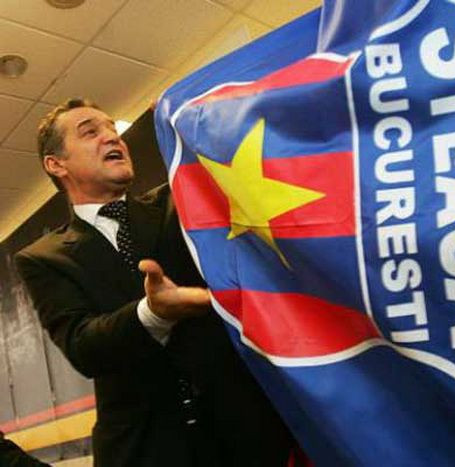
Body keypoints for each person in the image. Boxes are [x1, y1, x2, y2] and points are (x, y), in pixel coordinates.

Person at [14, 99, 294, 466]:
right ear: (56, 164)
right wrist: (152, 313)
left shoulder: (179, 202)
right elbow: (83, 346)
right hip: (144, 450)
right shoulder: (43, 258)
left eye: (112, 128)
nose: (111, 137)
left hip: (247, 435)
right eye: (90, 132)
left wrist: (188, 114)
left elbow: (243, 164)